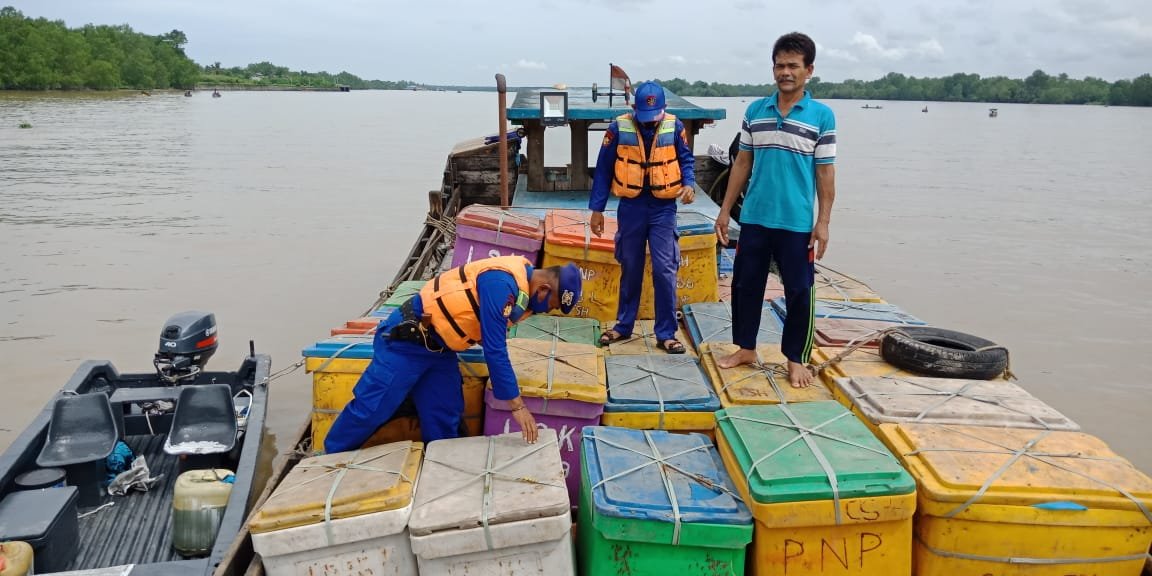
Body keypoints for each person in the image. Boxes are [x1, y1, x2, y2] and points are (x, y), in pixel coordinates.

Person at [324, 256, 583, 453]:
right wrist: (517, 406)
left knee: (445, 416)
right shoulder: (500, 283)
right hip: (407, 342)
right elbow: (495, 348)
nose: (545, 311)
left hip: (440, 351)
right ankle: (326, 459)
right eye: (551, 306)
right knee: (372, 407)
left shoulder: (520, 287)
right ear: (544, 290)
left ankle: (442, 481)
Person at [714, 32, 837, 388]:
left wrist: (823, 222)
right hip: (754, 216)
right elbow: (741, 164)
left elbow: (825, 172)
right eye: (780, 65)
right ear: (773, 69)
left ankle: (796, 357)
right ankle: (746, 347)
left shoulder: (821, 117)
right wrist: (724, 212)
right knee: (745, 285)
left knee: (800, 289)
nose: (785, 72)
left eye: (793, 66)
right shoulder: (756, 111)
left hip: (797, 221)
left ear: (808, 70)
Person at [588, 80, 696, 354]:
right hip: (631, 207)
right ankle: (623, 325)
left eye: (654, 116)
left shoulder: (675, 127)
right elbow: (602, 169)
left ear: (663, 109)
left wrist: (689, 184)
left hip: (663, 209)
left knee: (664, 269)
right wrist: (597, 210)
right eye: (643, 116)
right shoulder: (618, 128)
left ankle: (666, 333)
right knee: (630, 266)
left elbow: (686, 160)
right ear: (633, 107)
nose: (648, 122)